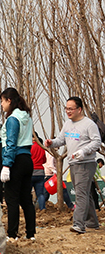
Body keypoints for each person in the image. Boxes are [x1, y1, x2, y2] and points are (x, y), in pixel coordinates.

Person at [44, 97, 101, 234]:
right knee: (84, 193)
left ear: (79, 109)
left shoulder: (89, 124)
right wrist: (51, 142)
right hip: (73, 163)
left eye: (71, 109)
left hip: (85, 163)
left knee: (80, 194)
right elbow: (61, 140)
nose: (68, 111)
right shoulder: (67, 124)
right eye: (66, 108)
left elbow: (97, 142)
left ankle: (78, 224)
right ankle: (92, 222)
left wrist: (84, 151)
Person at [0, 87, 36, 241]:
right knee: (26, 199)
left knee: (12, 199)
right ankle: (31, 233)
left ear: (9, 101)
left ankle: (12, 233)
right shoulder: (27, 117)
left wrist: (6, 165)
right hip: (27, 159)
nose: (2, 105)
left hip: (16, 160)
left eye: (2, 101)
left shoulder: (13, 119)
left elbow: (11, 143)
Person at [31, 133, 47, 211]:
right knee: (40, 194)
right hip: (40, 172)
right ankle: (42, 208)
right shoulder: (42, 147)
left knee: (27, 193)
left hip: (31, 172)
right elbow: (44, 160)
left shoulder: (29, 147)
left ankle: (29, 209)